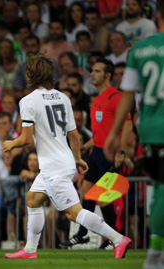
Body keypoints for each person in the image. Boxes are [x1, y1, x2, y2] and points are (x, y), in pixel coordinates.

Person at [2, 53, 131, 259]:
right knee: (33, 199)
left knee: (74, 213)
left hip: (54, 166)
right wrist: (78, 158)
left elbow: (26, 139)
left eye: (28, 71)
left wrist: (12, 143)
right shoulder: (63, 97)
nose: (26, 75)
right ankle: (30, 250)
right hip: (62, 161)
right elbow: (74, 134)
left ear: (33, 74)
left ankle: (118, 239)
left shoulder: (28, 101)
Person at [105, 2, 164, 266]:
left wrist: (114, 133)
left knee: (161, 189)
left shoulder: (140, 49)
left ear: (157, 15)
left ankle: (155, 252)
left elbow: (128, 94)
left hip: (152, 130)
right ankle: (156, 252)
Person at [60, 59, 132, 249]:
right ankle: (83, 234)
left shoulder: (115, 97)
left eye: (97, 71)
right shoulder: (98, 99)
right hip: (97, 152)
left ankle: (114, 238)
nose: (92, 73)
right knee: (86, 192)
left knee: (102, 198)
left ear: (107, 76)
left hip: (110, 154)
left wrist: (121, 151)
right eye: (92, 70)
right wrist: (86, 146)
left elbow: (128, 124)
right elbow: (102, 133)